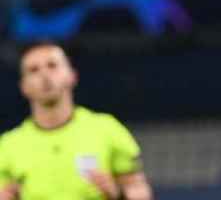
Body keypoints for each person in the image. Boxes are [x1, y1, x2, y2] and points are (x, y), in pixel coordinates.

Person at [0, 41, 152, 200]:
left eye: (52, 66)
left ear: (71, 75)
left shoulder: (106, 129)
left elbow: (138, 189)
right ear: (24, 87)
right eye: (34, 70)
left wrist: (118, 194)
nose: (44, 75)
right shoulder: (7, 146)